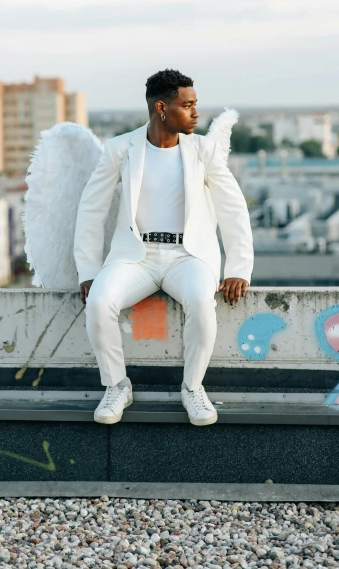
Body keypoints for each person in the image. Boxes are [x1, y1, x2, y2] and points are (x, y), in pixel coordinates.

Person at [73, 69, 254, 427]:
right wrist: (89, 271)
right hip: (134, 257)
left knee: (203, 302)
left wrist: (238, 267)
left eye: (195, 105)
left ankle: (192, 388)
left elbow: (233, 208)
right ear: (161, 108)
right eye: (187, 106)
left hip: (188, 257)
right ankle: (116, 385)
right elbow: (91, 209)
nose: (196, 113)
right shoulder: (120, 149)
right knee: (99, 301)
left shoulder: (204, 150)